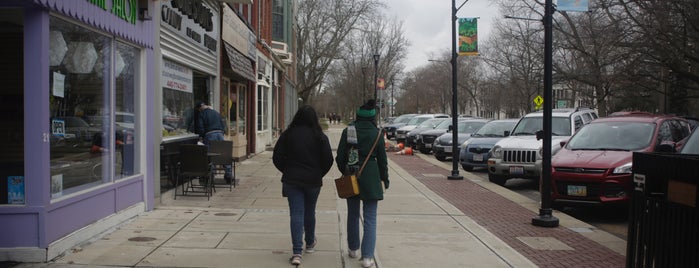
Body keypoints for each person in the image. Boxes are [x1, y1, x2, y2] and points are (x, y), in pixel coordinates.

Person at [272, 105, 334, 266]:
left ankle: (297, 252)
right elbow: (328, 160)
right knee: (310, 211)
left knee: (296, 214)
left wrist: (286, 170)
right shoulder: (320, 136)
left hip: (292, 179)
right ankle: (310, 242)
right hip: (313, 180)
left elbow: (276, 157)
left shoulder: (288, 135)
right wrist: (319, 173)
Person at [335, 99, 389, 268]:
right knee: (370, 219)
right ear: (373, 117)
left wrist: (345, 171)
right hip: (372, 178)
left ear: (358, 115)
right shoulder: (378, 134)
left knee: (352, 213)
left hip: (352, 175)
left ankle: (353, 249)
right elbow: (382, 161)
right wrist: (385, 180)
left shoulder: (349, 131)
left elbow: (340, 157)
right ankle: (367, 258)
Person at [195, 101, 232, 183]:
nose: (199, 111)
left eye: (198, 109)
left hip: (210, 134)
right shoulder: (215, 112)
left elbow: (200, 127)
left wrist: (201, 136)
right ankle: (229, 174)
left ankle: (211, 175)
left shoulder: (202, 114)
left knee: (211, 155)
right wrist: (222, 132)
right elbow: (223, 123)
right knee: (223, 154)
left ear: (200, 108)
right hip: (220, 133)